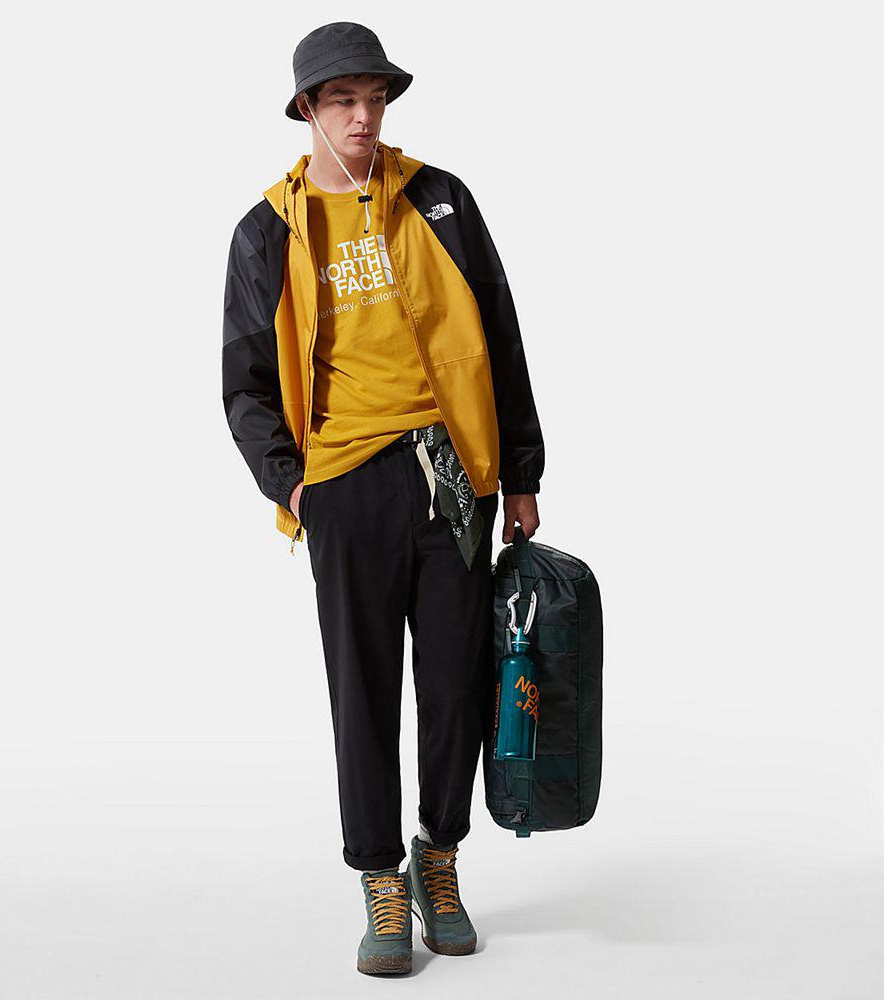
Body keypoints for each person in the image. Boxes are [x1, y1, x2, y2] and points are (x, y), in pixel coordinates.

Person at [221, 21, 544, 976]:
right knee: (361, 689)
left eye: (374, 99)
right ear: (307, 110)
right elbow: (244, 384)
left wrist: (521, 471)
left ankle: (439, 857)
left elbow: (501, 333)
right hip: (345, 486)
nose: (363, 118)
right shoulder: (266, 231)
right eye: (343, 101)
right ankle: (379, 878)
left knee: (456, 684)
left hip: (453, 474)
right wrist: (297, 487)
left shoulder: (440, 200)